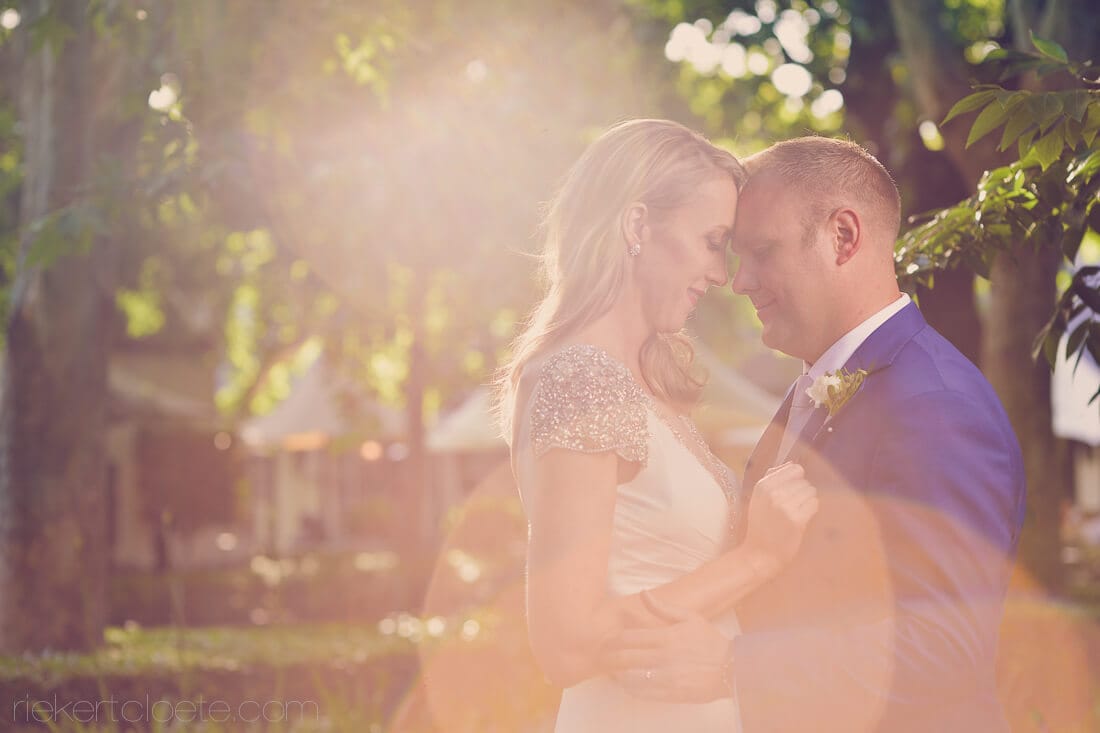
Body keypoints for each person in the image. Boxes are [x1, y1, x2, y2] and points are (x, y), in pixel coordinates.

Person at [604, 136, 1027, 732]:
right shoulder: (811, 389)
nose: (737, 279)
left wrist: (734, 668)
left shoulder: (935, 404)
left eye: (761, 251)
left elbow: (944, 645)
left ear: (843, 237)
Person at [497, 119, 820, 732]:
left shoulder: (637, 382)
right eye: (711, 240)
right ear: (637, 225)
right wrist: (758, 558)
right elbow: (564, 644)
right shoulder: (582, 379)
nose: (722, 273)